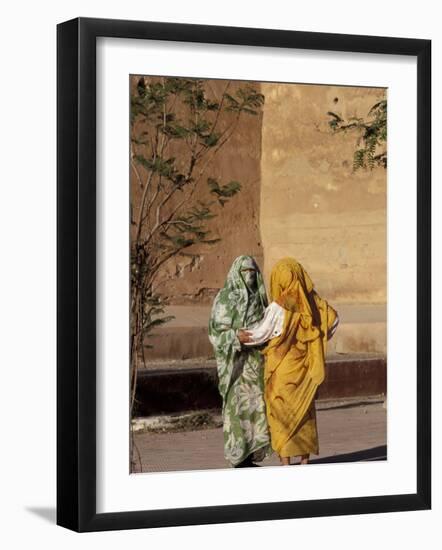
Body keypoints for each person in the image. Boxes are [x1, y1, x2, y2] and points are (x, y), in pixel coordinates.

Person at [239, 257, 338, 465]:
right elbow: (334, 320)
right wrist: (320, 338)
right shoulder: (315, 302)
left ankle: (285, 463)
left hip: (282, 370)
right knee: (304, 413)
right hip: (306, 369)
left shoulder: (280, 306)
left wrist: (238, 336)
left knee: (281, 413)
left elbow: (261, 334)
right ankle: (304, 461)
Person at [208, 255, 272, 468]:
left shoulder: (259, 299)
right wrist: (235, 337)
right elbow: (215, 333)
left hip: (255, 365)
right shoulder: (224, 299)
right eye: (245, 272)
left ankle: (251, 456)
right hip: (234, 368)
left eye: (253, 272)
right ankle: (238, 459)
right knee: (237, 410)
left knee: (256, 409)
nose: (250, 276)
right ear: (237, 273)